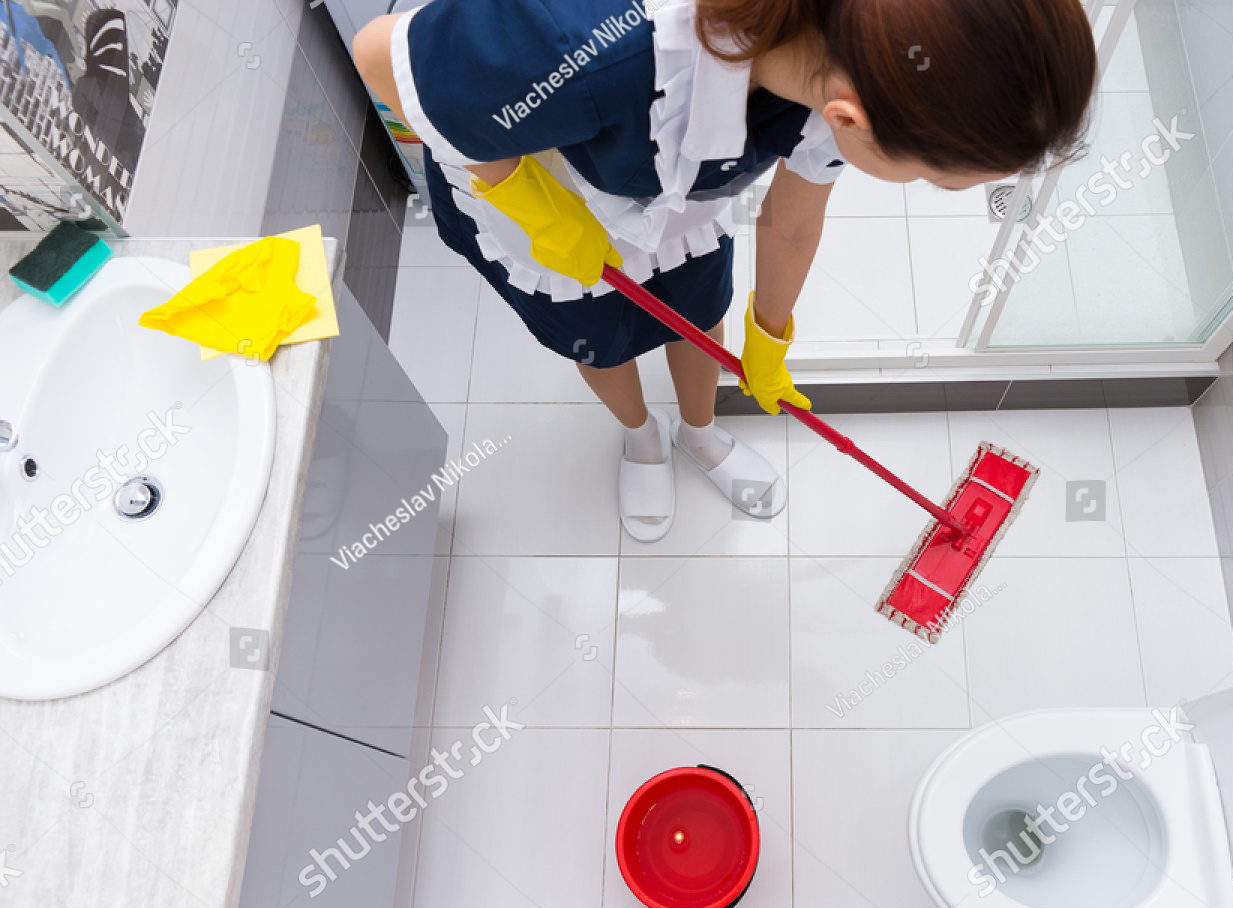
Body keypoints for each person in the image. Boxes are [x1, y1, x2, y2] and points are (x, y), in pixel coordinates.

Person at [354, 0, 1095, 542]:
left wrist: (769, 339)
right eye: (935, 178)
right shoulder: (580, 42)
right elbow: (378, 53)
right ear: (852, 119)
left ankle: (698, 432)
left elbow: (793, 217)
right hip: (543, 189)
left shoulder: (843, 51)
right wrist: (528, 198)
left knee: (700, 301)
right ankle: (641, 436)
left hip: (671, 190)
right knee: (598, 337)